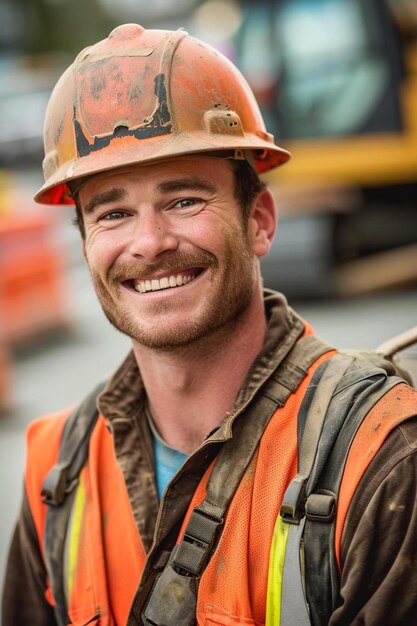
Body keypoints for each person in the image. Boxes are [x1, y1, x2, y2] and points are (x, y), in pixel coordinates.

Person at [2, 23, 417, 626]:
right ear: (86, 244)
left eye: (184, 200)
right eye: (113, 212)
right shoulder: (59, 470)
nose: (149, 242)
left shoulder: (380, 458)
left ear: (260, 221)